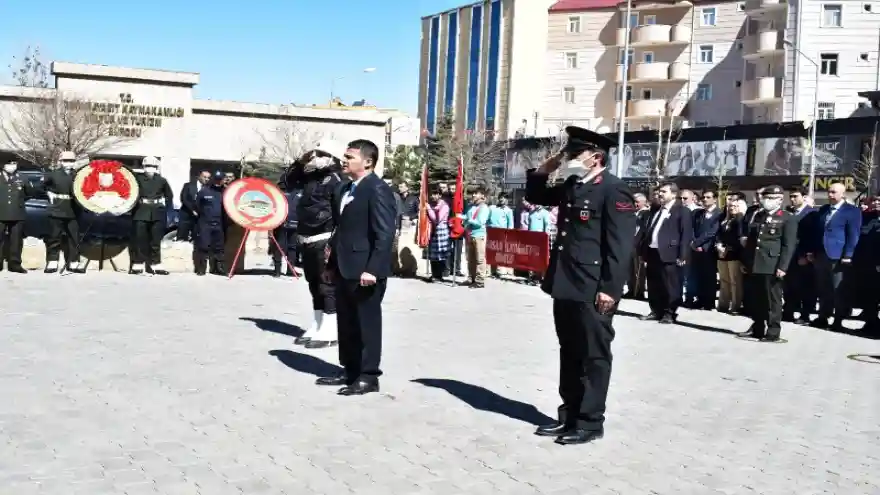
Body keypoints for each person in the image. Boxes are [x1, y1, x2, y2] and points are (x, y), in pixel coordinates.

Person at [525, 126, 637, 446]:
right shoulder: (573, 184)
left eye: (576, 154)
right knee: (570, 352)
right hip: (565, 283)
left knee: (593, 355)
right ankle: (570, 415)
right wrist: (556, 159)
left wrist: (610, 290)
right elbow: (535, 193)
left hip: (593, 286)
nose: (570, 159)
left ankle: (590, 421)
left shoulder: (614, 190)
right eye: (570, 153)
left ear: (596, 158)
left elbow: (619, 247)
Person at [317, 139, 396, 396]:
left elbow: (384, 234)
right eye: (344, 156)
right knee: (347, 323)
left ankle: (368, 376)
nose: (344, 160)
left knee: (367, 324)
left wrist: (373, 269)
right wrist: (330, 264)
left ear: (368, 161)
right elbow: (340, 230)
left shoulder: (378, 189)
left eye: (350, 157)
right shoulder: (344, 189)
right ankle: (350, 369)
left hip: (365, 270)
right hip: (343, 266)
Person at [283, 140, 344, 349]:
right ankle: (318, 324)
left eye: (321, 154)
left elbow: (340, 213)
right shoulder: (308, 176)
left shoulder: (337, 179)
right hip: (306, 235)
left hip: (324, 235)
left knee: (326, 285)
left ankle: (330, 328)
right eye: (314, 153)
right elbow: (286, 183)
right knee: (312, 284)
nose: (315, 157)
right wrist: (299, 162)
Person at [738, 185, 798, 341]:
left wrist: (783, 266)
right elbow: (752, 242)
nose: (766, 201)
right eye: (765, 198)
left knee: (773, 300)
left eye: (770, 198)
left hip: (772, 264)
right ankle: (757, 327)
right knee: (757, 299)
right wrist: (746, 261)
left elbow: (788, 245)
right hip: (756, 263)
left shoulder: (787, 218)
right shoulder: (759, 216)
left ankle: (773, 332)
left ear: (779, 200)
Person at [808, 182, 862, 331]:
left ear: (842, 194)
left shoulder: (852, 211)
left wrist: (848, 254)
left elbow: (853, 235)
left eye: (834, 192)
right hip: (821, 254)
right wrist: (812, 251)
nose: (830, 195)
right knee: (823, 287)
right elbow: (817, 232)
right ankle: (823, 317)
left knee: (838, 289)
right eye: (829, 192)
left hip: (838, 256)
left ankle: (838, 320)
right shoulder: (824, 209)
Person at [640, 182, 693, 324]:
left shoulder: (682, 211)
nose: (660, 194)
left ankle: (669, 313)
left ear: (674, 194)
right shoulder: (656, 209)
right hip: (653, 252)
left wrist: (683, 255)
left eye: (664, 192)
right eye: (659, 192)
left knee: (670, 285)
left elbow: (686, 235)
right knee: (653, 284)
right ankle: (656, 310)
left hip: (670, 253)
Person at [130, 157, 174, 275]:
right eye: (148, 166)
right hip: (141, 211)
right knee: (140, 239)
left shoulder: (162, 180)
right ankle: (138, 265)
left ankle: (156, 264)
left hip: (157, 211)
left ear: (157, 168)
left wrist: (169, 212)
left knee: (155, 240)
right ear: (143, 167)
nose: (150, 168)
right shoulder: (137, 179)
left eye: (153, 166)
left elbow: (169, 196)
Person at [42, 151, 82, 274]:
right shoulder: (53, 174)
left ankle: (73, 262)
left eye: (71, 161)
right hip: (57, 208)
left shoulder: (78, 175)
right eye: (65, 161)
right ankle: (53, 262)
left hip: (73, 209)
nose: (68, 163)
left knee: (74, 238)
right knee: (54, 237)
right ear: (61, 161)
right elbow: (40, 186)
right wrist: (48, 192)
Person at [782, 187, 818, 324]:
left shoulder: (812, 213)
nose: (792, 199)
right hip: (789, 255)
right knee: (790, 286)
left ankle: (805, 314)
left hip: (803, 256)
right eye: (790, 196)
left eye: (795, 196)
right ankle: (788, 311)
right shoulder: (788, 212)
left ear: (803, 197)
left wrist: (807, 254)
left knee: (806, 287)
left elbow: (813, 235)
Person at [0, 161, 36, 273]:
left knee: (16, 240)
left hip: (17, 212)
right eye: (9, 163)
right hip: (1, 212)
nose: (12, 166)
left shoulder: (22, 177)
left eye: (14, 163)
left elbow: (29, 192)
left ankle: (14, 264)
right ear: (3, 165)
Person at [690, 190, 722, 310]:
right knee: (699, 275)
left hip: (709, 249)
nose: (704, 199)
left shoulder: (719, 213)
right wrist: (693, 242)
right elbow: (693, 228)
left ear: (715, 199)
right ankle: (700, 299)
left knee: (709, 276)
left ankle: (709, 302)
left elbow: (712, 232)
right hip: (696, 248)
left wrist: (699, 244)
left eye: (708, 197)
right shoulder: (699, 213)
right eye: (703, 197)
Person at [715, 199, 746, 313]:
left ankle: (735, 305)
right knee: (724, 280)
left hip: (734, 254)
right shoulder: (725, 220)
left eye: (735, 206)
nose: (732, 208)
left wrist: (727, 248)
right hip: (722, 253)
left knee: (735, 282)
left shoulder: (740, 220)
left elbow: (739, 238)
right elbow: (719, 235)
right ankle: (723, 305)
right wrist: (718, 245)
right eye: (730, 206)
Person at [194, 171, 227, 276]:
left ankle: (218, 269)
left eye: (220, 179)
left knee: (219, 247)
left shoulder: (225, 192)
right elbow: (197, 206)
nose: (218, 181)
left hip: (219, 223)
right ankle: (201, 269)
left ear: (223, 180)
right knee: (203, 246)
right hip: (205, 223)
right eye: (216, 179)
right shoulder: (204, 191)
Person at [271, 180, 300, 278]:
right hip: (281, 222)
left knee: (292, 247)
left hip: (295, 223)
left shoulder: (301, 190)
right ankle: (277, 270)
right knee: (280, 246)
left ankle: (290, 269)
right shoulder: (280, 191)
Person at [624, 193, 651, 299]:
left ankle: (639, 291)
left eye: (637, 202)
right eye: (633, 201)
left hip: (638, 245)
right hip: (628, 244)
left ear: (644, 202)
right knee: (629, 269)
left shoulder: (646, 214)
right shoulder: (631, 213)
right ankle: (631, 289)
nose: (634, 204)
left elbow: (643, 231)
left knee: (638, 270)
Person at [464, 187, 490, 289]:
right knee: (470, 259)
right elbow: (466, 217)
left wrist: (469, 220)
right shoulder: (471, 207)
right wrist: (460, 218)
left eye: (476, 193)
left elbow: (480, 222)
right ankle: (471, 278)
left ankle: (480, 281)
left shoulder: (484, 208)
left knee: (480, 259)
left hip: (479, 235)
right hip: (470, 234)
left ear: (482, 196)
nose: (473, 195)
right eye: (473, 193)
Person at [425, 187, 451, 281]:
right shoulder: (433, 205)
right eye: (432, 194)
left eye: (436, 194)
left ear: (440, 195)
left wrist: (428, 209)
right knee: (433, 254)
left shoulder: (444, 206)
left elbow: (437, 219)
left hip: (441, 231)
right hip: (434, 231)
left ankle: (439, 275)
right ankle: (434, 274)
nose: (433, 196)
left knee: (440, 254)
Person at [487, 194, 514, 278]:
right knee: (491, 252)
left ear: (507, 200)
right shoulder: (492, 208)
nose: (502, 200)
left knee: (499, 252)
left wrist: (508, 235)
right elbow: (487, 219)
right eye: (501, 198)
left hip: (502, 233)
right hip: (492, 232)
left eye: (504, 198)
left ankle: (498, 271)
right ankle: (491, 271)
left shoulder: (509, 210)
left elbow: (510, 225)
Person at [178, 170, 209, 242]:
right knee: (181, 238)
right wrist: (192, 210)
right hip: (186, 215)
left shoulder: (208, 188)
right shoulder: (188, 185)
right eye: (205, 177)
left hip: (199, 218)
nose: (207, 179)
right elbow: (183, 198)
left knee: (196, 238)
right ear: (199, 176)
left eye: (208, 178)